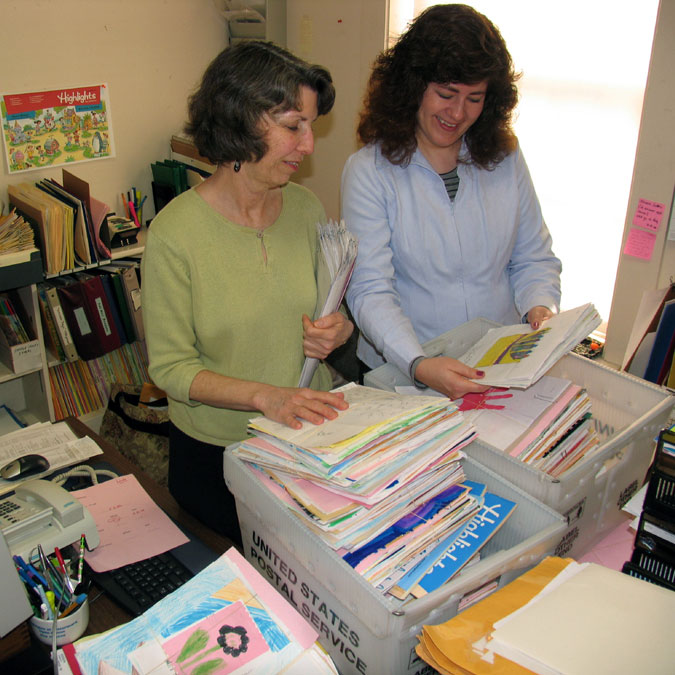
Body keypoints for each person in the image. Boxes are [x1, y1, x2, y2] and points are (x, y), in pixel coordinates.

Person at [141, 41, 353, 545]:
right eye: (292, 126)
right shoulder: (175, 235)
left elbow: (330, 310)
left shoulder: (305, 208)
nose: (309, 146)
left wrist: (337, 329)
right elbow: (171, 370)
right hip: (219, 456)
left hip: (306, 440)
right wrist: (265, 396)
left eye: (311, 126)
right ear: (240, 120)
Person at [341, 4, 562, 399]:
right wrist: (418, 363)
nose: (458, 113)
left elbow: (532, 258)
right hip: (405, 369)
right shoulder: (369, 171)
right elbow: (370, 289)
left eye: (474, 99)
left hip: (495, 363)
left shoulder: (505, 158)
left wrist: (541, 309)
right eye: (446, 94)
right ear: (413, 87)